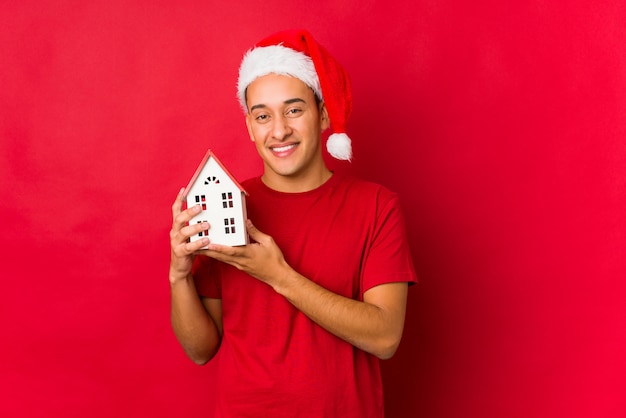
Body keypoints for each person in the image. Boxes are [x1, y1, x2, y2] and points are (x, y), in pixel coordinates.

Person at [169, 29, 418, 417]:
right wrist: (179, 274)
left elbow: (385, 337)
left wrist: (278, 275)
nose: (279, 130)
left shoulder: (376, 207)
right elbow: (201, 351)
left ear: (322, 115)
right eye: (263, 115)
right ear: (250, 127)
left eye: (294, 110)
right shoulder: (227, 206)